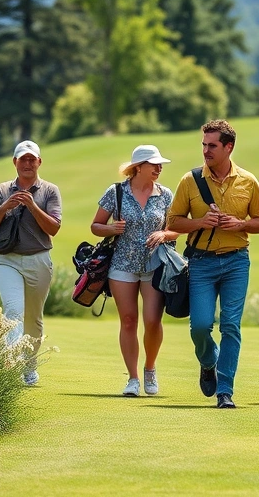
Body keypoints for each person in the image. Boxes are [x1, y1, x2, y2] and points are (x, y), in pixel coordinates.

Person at [167, 120, 259, 409]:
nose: (206, 150)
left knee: (230, 326)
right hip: (201, 262)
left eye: (212, 145)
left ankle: (225, 390)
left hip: (237, 261)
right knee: (199, 326)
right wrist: (200, 222)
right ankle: (208, 361)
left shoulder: (248, 181)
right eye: (204, 144)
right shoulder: (190, 180)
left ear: (229, 147)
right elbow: (172, 221)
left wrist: (241, 224)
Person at [91, 145, 179, 397]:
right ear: (138, 167)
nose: (159, 168)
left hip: (155, 266)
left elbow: (176, 228)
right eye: (154, 164)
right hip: (122, 265)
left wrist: (164, 234)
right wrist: (112, 229)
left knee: (152, 321)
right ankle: (133, 378)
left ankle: (150, 368)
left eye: (160, 164)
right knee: (128, 321)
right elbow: (96, 225)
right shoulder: (115, 192)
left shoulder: (165, 195)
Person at [0, 140, 62, 386]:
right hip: (8, 260)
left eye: (32, 159)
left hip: (38, 259)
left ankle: (29, 366)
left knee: (33, 319)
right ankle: (12, 367)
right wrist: (6, 205)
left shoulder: (49, 190)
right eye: (22, 159)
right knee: (13, 312)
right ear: (15, 162)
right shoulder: (2, 190)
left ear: (39, 162)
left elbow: (54, 228)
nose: (27, 163)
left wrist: (32, 205)